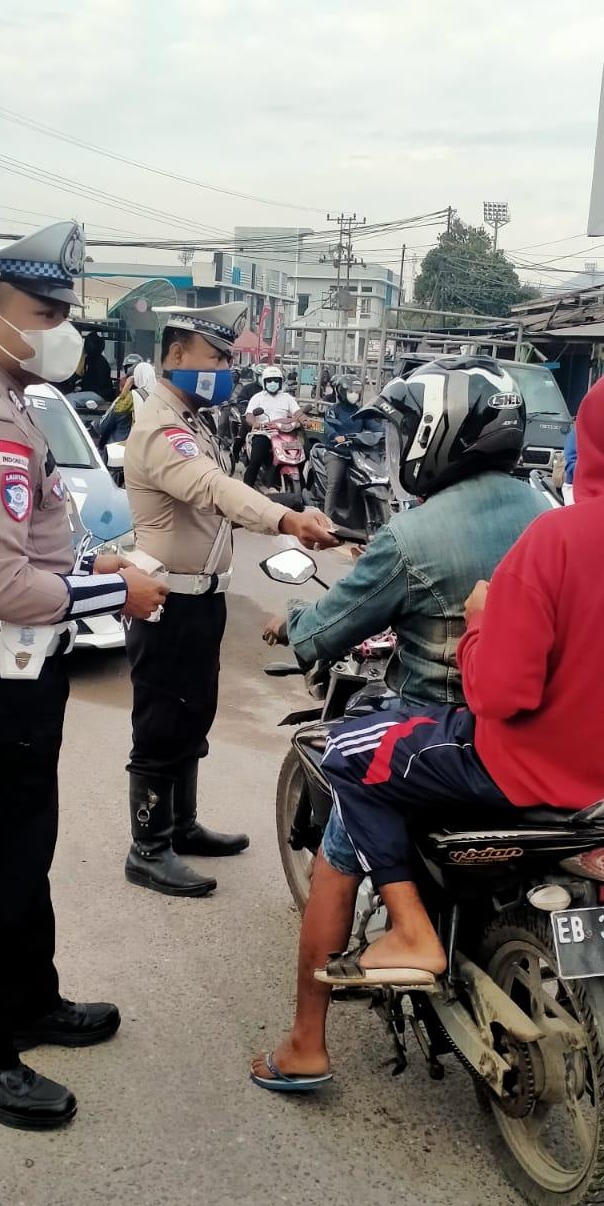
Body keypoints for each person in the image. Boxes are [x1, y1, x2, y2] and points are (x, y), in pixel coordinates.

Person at [312, 357, 604, 995]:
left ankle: (410, 929)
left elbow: (498, 692)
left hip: (524, 775)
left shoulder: (556, 540)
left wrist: (477, 626)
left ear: (593, 439)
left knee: (349, 752)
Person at [0, 221, 166, 1132]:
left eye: (66, 310)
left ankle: (29, 1000)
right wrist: (114, 587)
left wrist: (96, 560)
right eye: (45, 311)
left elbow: (34, 538)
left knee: (27, 852)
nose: (63, 328)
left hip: (9, 672)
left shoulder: (5, 400)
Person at [250, 364, 549, 1091]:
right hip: (544, 736)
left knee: (343, 830)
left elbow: (324, 632)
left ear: (433, 438)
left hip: (438, 734)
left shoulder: (414, 534)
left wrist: (290, 623)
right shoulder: (552, 513)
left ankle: (306, 1044)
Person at [123, 302, 337, 898]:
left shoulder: (194, 422)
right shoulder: (161, 428)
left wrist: (284, 508)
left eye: (227, 358)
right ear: (175, 356)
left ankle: (181, 826)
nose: (224, 368)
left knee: (193, 716)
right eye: (215, 357)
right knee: (162, 724)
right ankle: (148, 847)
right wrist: (286, 519)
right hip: (168, 601)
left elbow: (228, 493)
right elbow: (214, 489)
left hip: (200, 601)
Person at [319, 376, 380, 521]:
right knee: (334, 483)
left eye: (357, 391)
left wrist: (385, 434)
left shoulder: (361, 412)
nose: (355, 394)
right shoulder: (334, 410)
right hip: (337, 452)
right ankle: (327, 519)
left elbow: (374, 426)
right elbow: (326, 425)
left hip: (357, 454)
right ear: (341, 392)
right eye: (351, 391)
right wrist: (335, 436)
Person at [243, 365, 302, 489]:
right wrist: (255, 423)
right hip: (263, 433)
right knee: (256, 459)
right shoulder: (257, 398)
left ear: (281, 382)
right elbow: (249, 416)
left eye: (276, 380)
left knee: (300, 456)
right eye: (269, 381)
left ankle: (303, 489)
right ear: (264, 382)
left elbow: (298, 413)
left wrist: (304, 420)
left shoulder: (288, 398)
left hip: (284, 435)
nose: (273, 383)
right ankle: (246, 489)